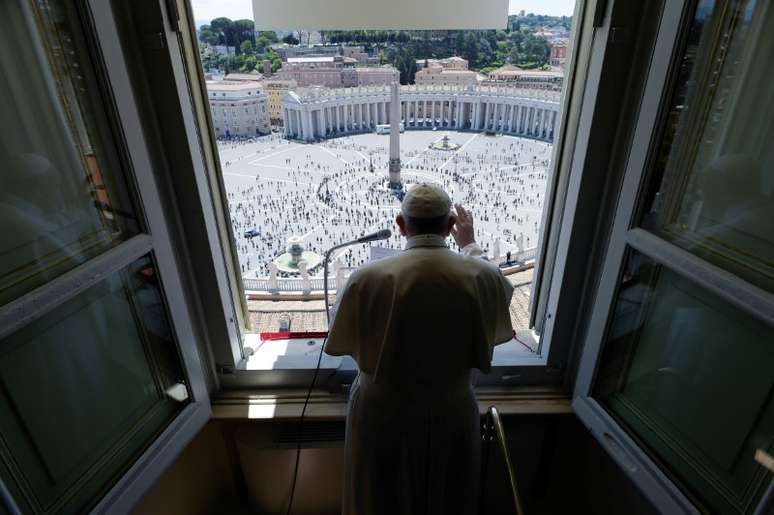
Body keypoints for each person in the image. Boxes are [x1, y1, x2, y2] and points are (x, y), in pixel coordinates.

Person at [325, 184, 515, 515]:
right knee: (449, 495)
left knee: (378, 496)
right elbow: (498, 295)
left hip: (381, 413)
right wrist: (469, 245)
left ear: (400, 224)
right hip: (451, 410)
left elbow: (341, 341)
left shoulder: (365, 278)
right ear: (450, 224)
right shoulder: (482, 275)